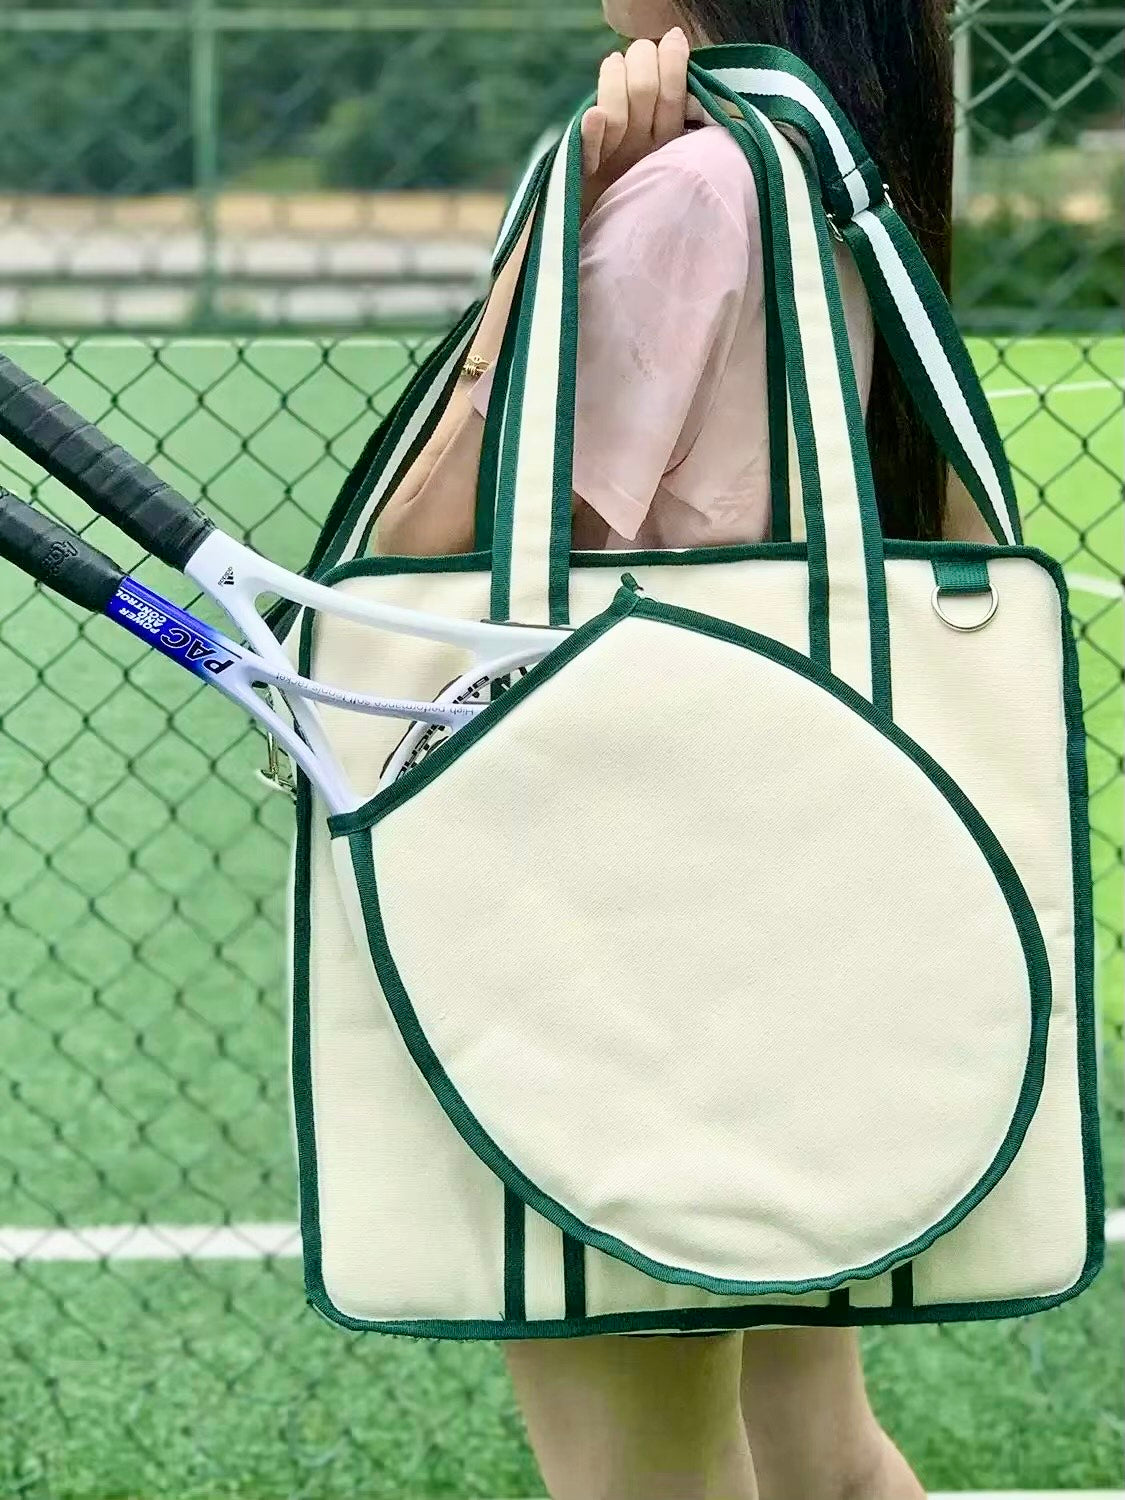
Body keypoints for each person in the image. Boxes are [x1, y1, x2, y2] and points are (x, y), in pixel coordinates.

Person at [381, 4, 990, 1495]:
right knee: (823, 1460)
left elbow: (428, 555)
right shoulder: (826, 164)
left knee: (643, 1477)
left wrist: (545, 255)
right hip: (788, 882)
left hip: (620, 925)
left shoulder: (688, 189)